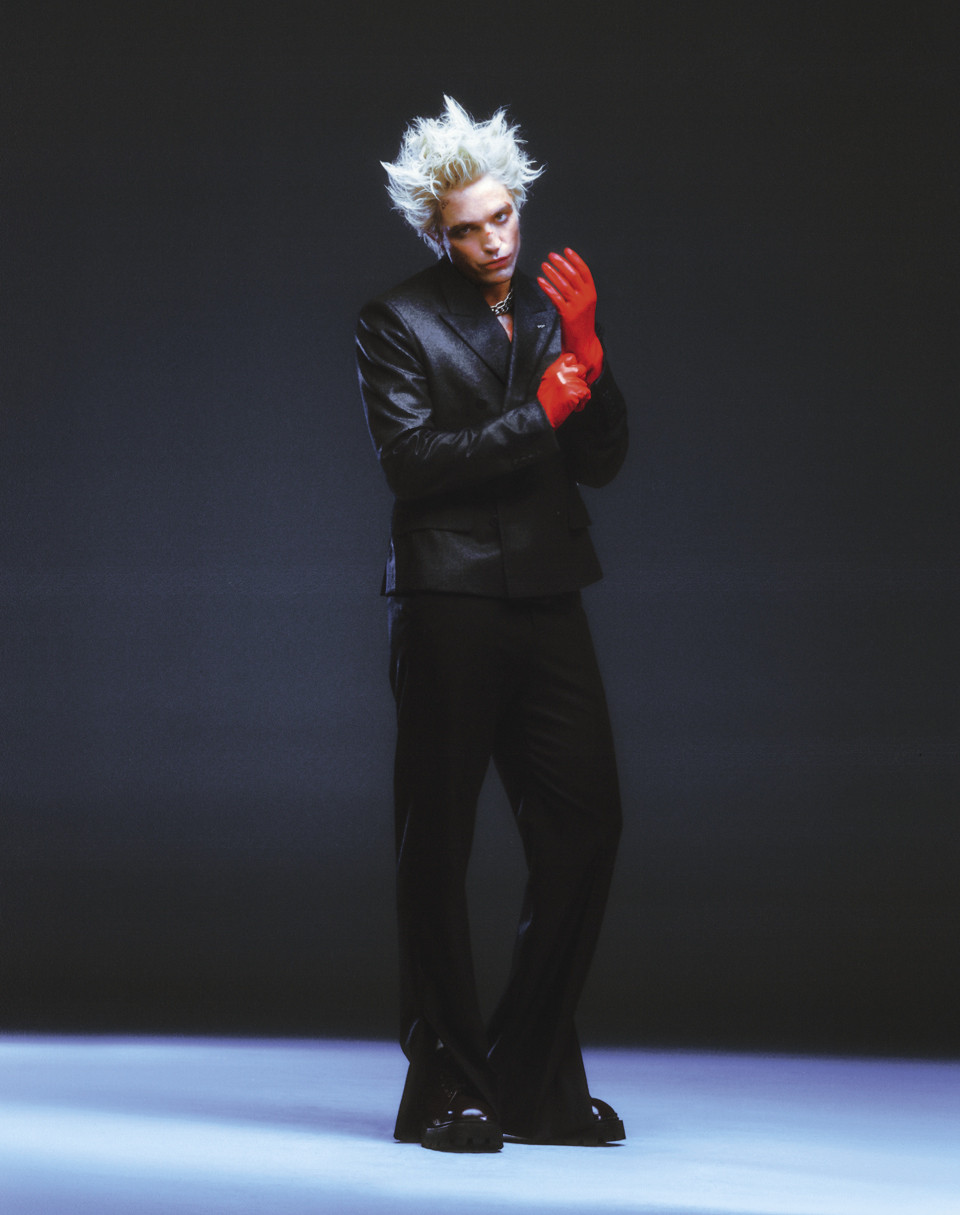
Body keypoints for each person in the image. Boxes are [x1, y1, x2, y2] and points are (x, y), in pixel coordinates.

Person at [356, 97, 629, 1152]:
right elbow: (413, 464)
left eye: (504, 217)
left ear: (519, 203)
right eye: (468, 229)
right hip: (448, 600)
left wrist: (591, 351)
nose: (495, 242)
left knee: (586, 827)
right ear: (437, 233)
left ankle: (526, 1074)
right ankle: (446, 1087)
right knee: (438, 844)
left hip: (548, 593)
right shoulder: (395, 322)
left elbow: (602, 460)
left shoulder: (555, 311)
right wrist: (540, 413)